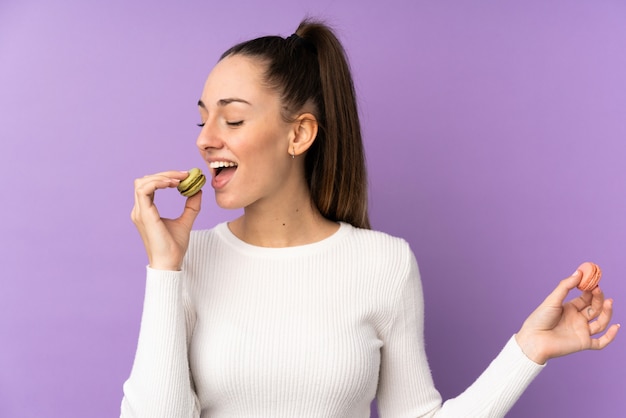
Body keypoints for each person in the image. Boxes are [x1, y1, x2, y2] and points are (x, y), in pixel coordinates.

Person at [121, 18, 619, 417]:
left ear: (299, 135)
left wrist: (526, 351)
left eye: (232, 119)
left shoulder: (385, 264)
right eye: (202, 118)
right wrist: (164, 270)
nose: (205, 138)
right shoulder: (189, 260)